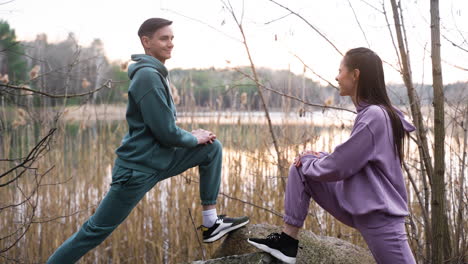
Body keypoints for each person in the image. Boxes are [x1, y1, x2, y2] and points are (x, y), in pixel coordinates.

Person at [47, 18, 249, 263]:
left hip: (158, 161)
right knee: (93, 232)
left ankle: (211, 223)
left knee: (211, 148)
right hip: (136, 170)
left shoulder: (156, 74)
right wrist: (192, 137)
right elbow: (166, 132)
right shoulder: (148, 77)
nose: (171, 44)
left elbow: (160, 127)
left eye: (172, 38)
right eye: (164, 38)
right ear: (146, 41)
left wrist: (194, 138)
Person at [248, 47, 416, 264]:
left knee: (304, 165)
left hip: (380, 215)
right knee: (300, 169)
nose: (337, 77)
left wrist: (311, 161)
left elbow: (340, 165)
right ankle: (287, 242)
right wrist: (312, 160)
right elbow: (354, 160)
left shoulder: (375, 115)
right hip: (364, 204)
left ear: (355, 75)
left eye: (340, 70)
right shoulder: (372, 113)